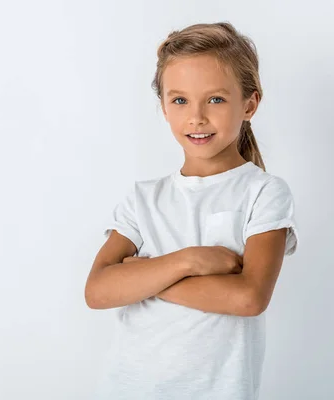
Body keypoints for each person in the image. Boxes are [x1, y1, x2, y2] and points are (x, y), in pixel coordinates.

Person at [84, 21, 299, 400]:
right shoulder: (143, 198)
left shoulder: (263, 192)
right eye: (180, 100)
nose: (196, 117)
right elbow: (98, 291)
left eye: (215, 99)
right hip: (129, 388)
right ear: (164, 107)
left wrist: (142, 277)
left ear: (249, 104)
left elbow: (248, 298)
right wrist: (187, 261)